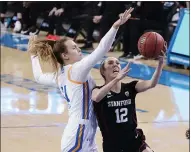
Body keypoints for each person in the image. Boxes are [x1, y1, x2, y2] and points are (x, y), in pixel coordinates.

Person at [28, 8, 134, 152]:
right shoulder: (76, 70)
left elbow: (39, 77)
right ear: (65, 56)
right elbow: (102, 49)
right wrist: (115, 27)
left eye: (77, 46)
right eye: (74, 48)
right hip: (79, 136)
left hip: (83, 135)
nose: (78, 49)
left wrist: (34, 56)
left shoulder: (62, 74)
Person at [92, 45, 166, 152]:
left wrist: (160, 64)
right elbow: (96, 98)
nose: (115, 65)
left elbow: (151, 84)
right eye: (110, 63)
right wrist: (116, 79)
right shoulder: (97, 90)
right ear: (103, 71)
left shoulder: (130, 87)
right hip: (113, 144)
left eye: (117, 63)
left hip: (133, 140)